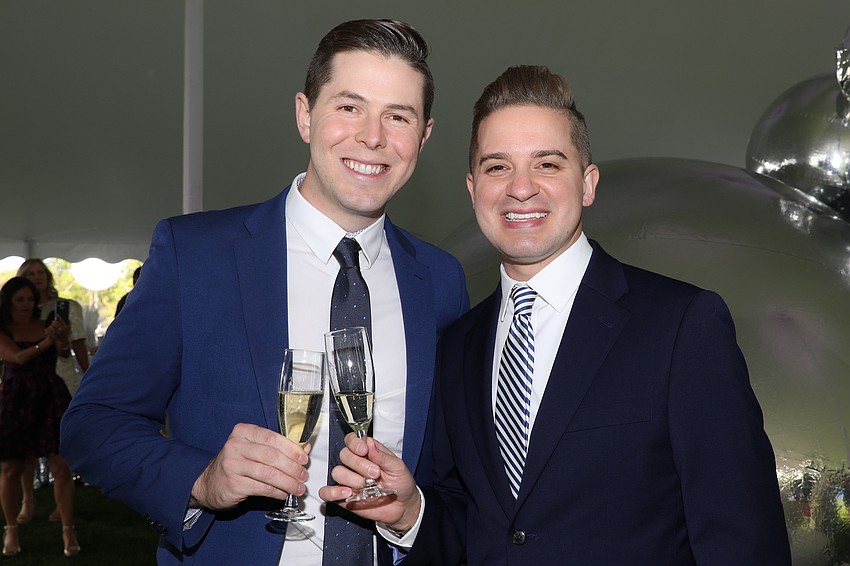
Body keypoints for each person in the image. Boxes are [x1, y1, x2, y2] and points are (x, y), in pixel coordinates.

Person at [319, 65, 792, 565]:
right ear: (473, 187)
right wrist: (412, 512)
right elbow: (478, 528)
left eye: (547, 164)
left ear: (587, 184)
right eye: (498, 167)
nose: (521, 188)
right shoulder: (457, 345)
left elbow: (744, 538)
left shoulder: (681, 326)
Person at [60, 19, 469, 565]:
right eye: (349, 107)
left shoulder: (440, 280)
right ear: (305, 114)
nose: (373, 136)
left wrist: (414, 509)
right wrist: (201, 481)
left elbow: (452, 467)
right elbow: (93, 424)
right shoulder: (196, 256)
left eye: (398, 116)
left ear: (423, 135)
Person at [0, 277, 80, 557]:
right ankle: (11, 530)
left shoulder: (47, 321)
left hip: (49, 396)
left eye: (30, 298)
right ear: (8, 300)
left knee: (61, 466)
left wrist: (61, 337)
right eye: (19, 299)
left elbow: (63, 353)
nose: (26, 304)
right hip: (15, 399)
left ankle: (68, 529)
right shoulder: (3, 328)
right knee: (11, 469)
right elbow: (18, 358)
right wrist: (49, 340)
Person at [15, 258, 89, 526]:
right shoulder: (19, 309)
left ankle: (62, 504)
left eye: (40, 272)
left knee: (59, 446)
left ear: (48, 276)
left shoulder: (68, 307)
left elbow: (78, 346)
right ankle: (27, 500)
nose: (37, 277)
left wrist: (89, 377)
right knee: (25, 450)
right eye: (30, 273)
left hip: (62, 377)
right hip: (26, 382)